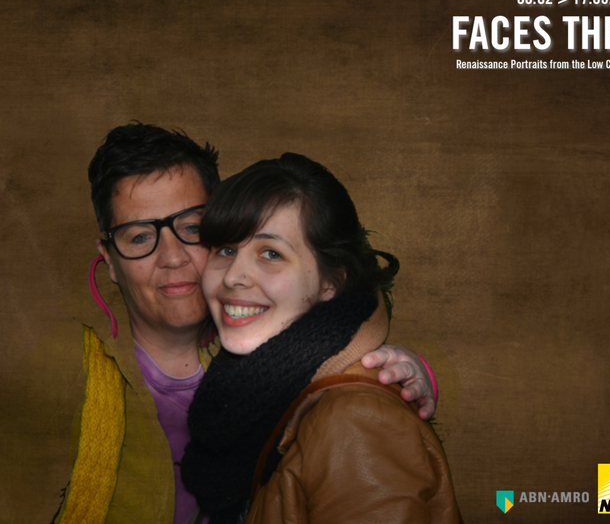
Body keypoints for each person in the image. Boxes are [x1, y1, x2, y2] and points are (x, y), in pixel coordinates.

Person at [53, 124, 440, 524]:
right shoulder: (67, 373)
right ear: (108, 258)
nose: (172, 257)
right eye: (138, 237)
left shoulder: (330, 389)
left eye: (192, 228)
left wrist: (394, 376)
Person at [181, 153, 461, 523]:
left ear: (331, 283)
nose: (233, 276)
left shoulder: (356, 421)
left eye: (270, 253)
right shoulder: (248, 388)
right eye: (227, 250)